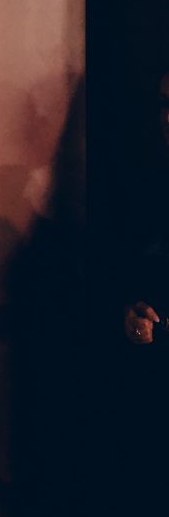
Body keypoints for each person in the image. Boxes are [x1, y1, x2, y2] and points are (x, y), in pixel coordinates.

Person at [121, 70, 168, 349]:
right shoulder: (145, 195)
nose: (167, 118)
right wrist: (130, 313)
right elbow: (126, 280)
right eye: (164, 104)